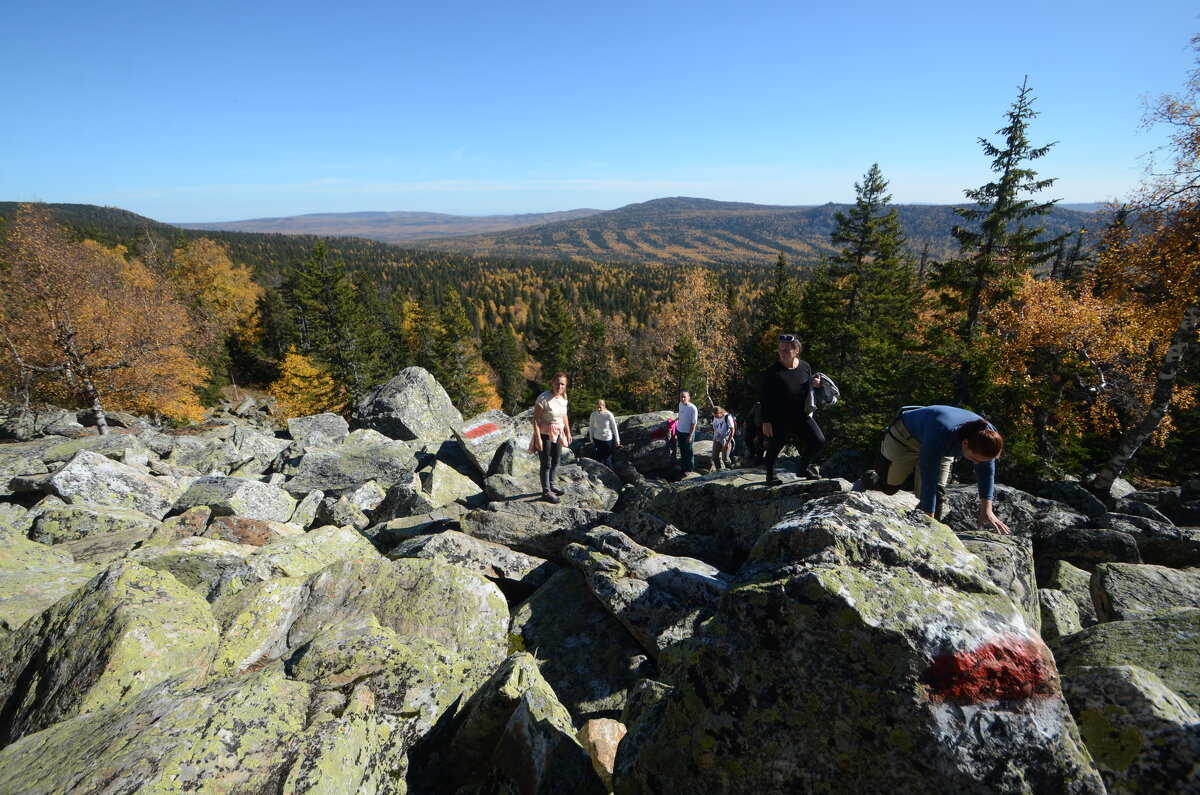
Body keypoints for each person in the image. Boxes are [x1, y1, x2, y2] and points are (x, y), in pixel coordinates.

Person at [873, 405, 1010, 534]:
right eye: (974, 458)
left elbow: (986, 473)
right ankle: (868, 479)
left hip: (941, 443)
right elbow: (929, 481)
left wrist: (987, 510)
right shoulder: (941, 435)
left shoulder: (989, 438)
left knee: (937, 497)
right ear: (965, 443)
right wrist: (929, 522)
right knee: (889, 487)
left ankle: (916, 529)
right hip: (905, 436)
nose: (976, 463)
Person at [761, 334, 826, 485]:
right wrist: (766, 421)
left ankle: (803, 469)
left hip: (800, 415)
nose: (782, 352)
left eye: (786, 350)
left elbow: (808, 389)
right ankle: (770, 474)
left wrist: (816, 385)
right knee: (776, 445)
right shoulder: (773, 371)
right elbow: (764, 398)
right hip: (779, 417)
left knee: (818, 441)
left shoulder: (805, 366)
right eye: (780, 349)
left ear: (796, 350)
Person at [530, 372, 572, 503]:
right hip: (544, 433)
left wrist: (568, 432)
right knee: (546, 463)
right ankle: (546, 491)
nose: (559, 386)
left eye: (562, 384)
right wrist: (537, 438)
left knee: (556, 460)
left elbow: (564, 416)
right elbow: (535, 420)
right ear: (552, 383)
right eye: (557, 383)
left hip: (558, 432)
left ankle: (553, 484)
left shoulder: (564, 397)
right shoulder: (543, 398)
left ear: (565, 385)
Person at [588, 399, 621, 469]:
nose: (599, 409)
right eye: (597, 407)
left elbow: (614, 427)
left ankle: (610, 476)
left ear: (604, 406)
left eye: (600, 407)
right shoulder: (593, 415)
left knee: (607, 459)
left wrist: (617, 440)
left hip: (607, 439)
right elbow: (591, 427)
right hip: (597, 438)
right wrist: (591, 438)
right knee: (598, 458)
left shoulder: (609, 415)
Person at [676, 390, 699, 473]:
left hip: (688, 432)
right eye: (681, 396)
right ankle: (683, 468)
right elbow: (681, 416)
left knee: (688, 451)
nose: (682, 398)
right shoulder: (680, 405)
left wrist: (690, 435)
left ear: (689, 398)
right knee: (682, 450)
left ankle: (690, 469)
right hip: (679, 431)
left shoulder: (693, 408)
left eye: (684, 397)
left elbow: (694, 423)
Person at [710, 406, 735, 470]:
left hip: (726, 439)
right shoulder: (713, 417)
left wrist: (728, 443)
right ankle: (719, 470)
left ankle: (730, 471)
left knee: (725, 459)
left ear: (721, 413)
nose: (715, 417)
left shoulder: (727, 417)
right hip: (717, 438)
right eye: (714, 415)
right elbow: (712, 426)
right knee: (715, 456)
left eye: (716, 415)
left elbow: (732, 430)